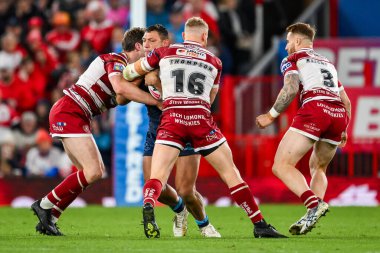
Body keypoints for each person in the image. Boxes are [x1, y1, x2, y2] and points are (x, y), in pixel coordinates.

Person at [124, 17, 286, 239]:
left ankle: (149, 205)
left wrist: (149, 74)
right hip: (201, 120)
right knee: (231, 174)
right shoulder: (215, 61)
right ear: (205, 37)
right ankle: (259, 224)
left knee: (158, 176)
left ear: (182, 36)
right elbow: (210, 99)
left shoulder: (164, 53)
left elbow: (128, 74)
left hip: (171, 119)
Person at [31, 27, 161, 236]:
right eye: (145, 44)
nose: (148, 49)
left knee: (93, 172)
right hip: (70, 111)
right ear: (137, 46)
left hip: (77, 114)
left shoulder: (127, 70)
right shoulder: (116, 60)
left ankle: (51, 217)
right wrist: (157, 101)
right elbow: (120, 89)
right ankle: (45, 204)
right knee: (93, 171)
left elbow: (121, 98)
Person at [256, 22, 351, 235]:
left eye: (289, 41)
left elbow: (290, 89)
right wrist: (344, 128)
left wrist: (271, 115)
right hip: (338, 115)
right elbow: (346, 100)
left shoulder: (293, 59)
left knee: (281, 165)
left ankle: (313, 204)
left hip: (315, 109)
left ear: (298, 41)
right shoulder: (328, 63)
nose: (287, 46)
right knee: (318, 167)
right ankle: (312, 214)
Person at [141, 24, 220, 237]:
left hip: (185, 127)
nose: (146, 45)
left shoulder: (175, 62)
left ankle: (204, 224)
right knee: (153, 186)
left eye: (152, 41)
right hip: (157, 131)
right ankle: (179, 209)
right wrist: (151, 96)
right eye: (145, 41)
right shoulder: (142, 67)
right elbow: (121, 95)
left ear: (165, 44)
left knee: (186, 190)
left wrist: (157, 83)